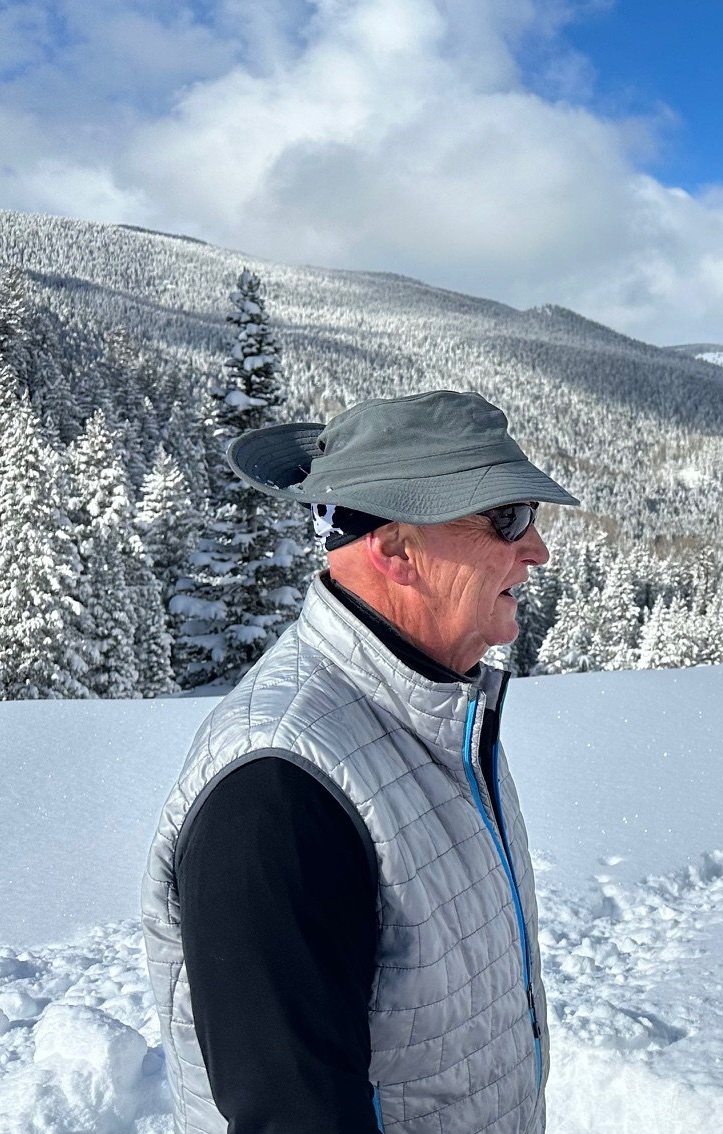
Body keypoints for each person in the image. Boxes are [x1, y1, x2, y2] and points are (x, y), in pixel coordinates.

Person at [142, 390, 576, 1134]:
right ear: (396, 549)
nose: (535, 549)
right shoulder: (279, 789)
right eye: (507, 519)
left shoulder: (437, 715)